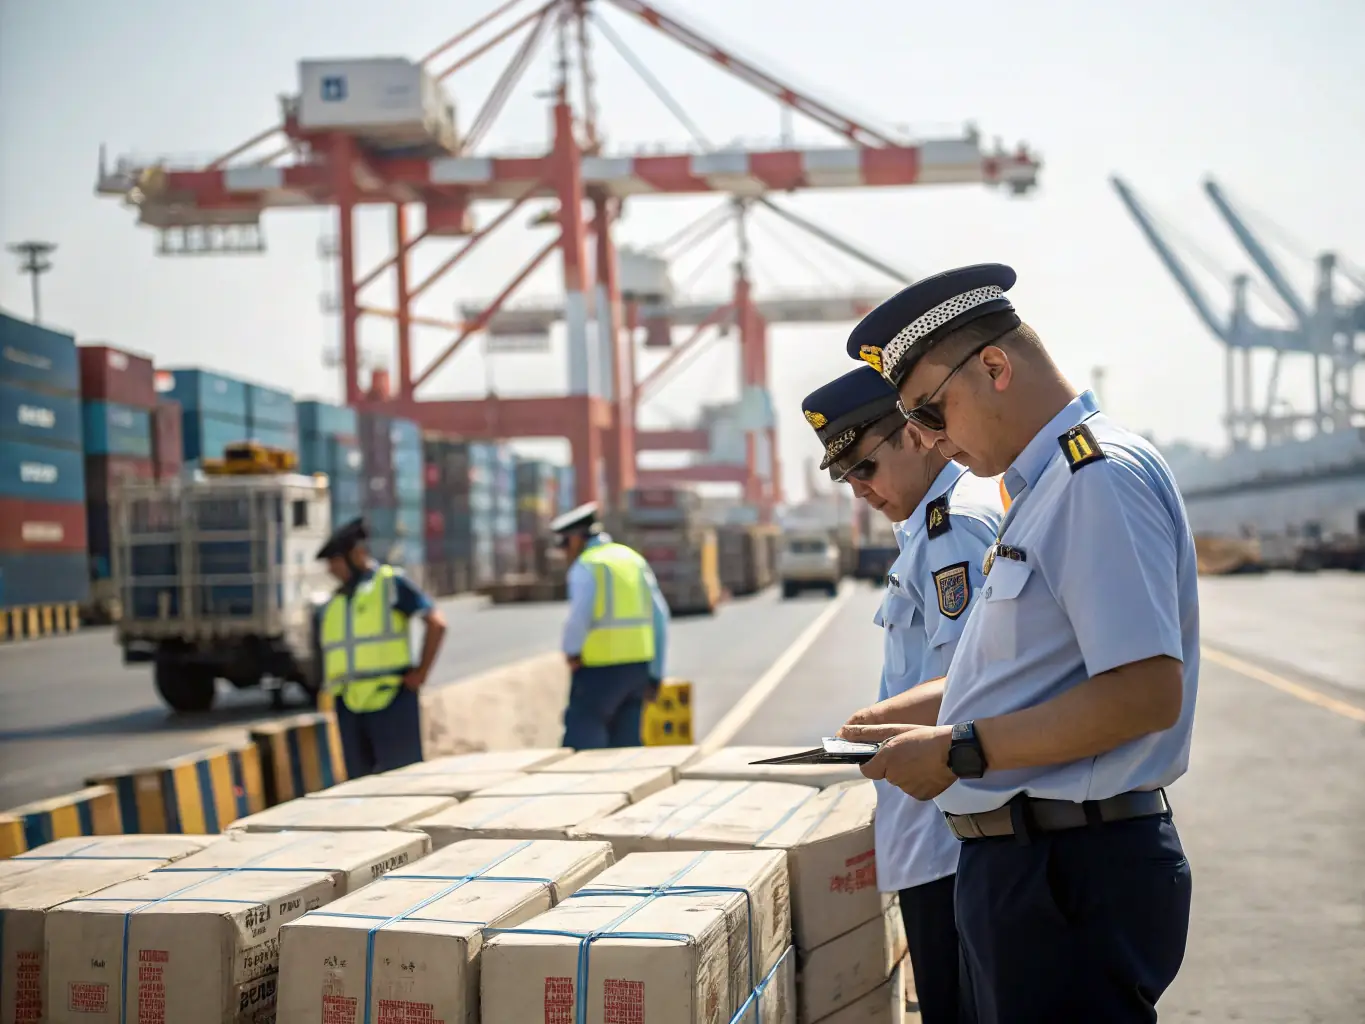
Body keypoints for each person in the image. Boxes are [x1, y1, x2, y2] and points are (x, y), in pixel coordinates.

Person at [840, 263, 1199, 1023]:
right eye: (913, 429)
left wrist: (956, 751)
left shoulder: (1091, 479)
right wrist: (916, 716)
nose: (930, 441)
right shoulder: (1041, 491)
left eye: (931, 414)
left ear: (995, 367)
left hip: (1069, 870)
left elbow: (1142, 693)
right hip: (1031, 865)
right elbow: (1031, 672)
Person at [802, 364, 1002, 1024]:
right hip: (935, 827)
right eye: (845, 476)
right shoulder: (925, 530)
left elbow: (982, 680)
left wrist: (870, 725)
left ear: (914, 436)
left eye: (863, 465)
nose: (858, 489)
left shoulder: (955, 531)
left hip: (955, 832)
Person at [314, 516, 447, 778]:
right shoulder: (336, 601)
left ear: (357, 555)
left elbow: (437, 624)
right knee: (362, 791)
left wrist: (420, 674)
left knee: (402, 786)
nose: (331, 570)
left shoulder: (389, 584)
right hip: (350, 706)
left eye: (335, 561)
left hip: (392, 701)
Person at [552, 501, 670, 749]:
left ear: (575, 540)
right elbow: (660, 617)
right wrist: (656, 673)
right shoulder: (633, 560)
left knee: (583, 753)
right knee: (626, 753)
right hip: (637, 671)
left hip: (598, 674)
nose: (564, 552)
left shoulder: (587, 565)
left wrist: (571, 652)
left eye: (564, 544)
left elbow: (578, 618)